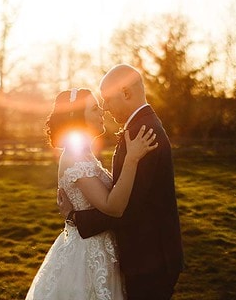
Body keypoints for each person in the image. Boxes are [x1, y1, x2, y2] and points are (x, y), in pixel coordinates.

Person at [58, 64, 184, 300]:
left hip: (152, 258)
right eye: (97, 106)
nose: (105, 108)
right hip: (146, 256)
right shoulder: (140, 127)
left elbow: (126, 207)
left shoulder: (143, 132)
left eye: (106, 100)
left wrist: (76, 218)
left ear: (126, 93)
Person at [26, 87, 158, 300]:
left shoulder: (84, 152)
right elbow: (113, 207)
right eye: (95, 109)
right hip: (87, 255)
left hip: (101, 247)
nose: (102, 112)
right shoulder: (75, 156)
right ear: (77, 117)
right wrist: (132, 159)